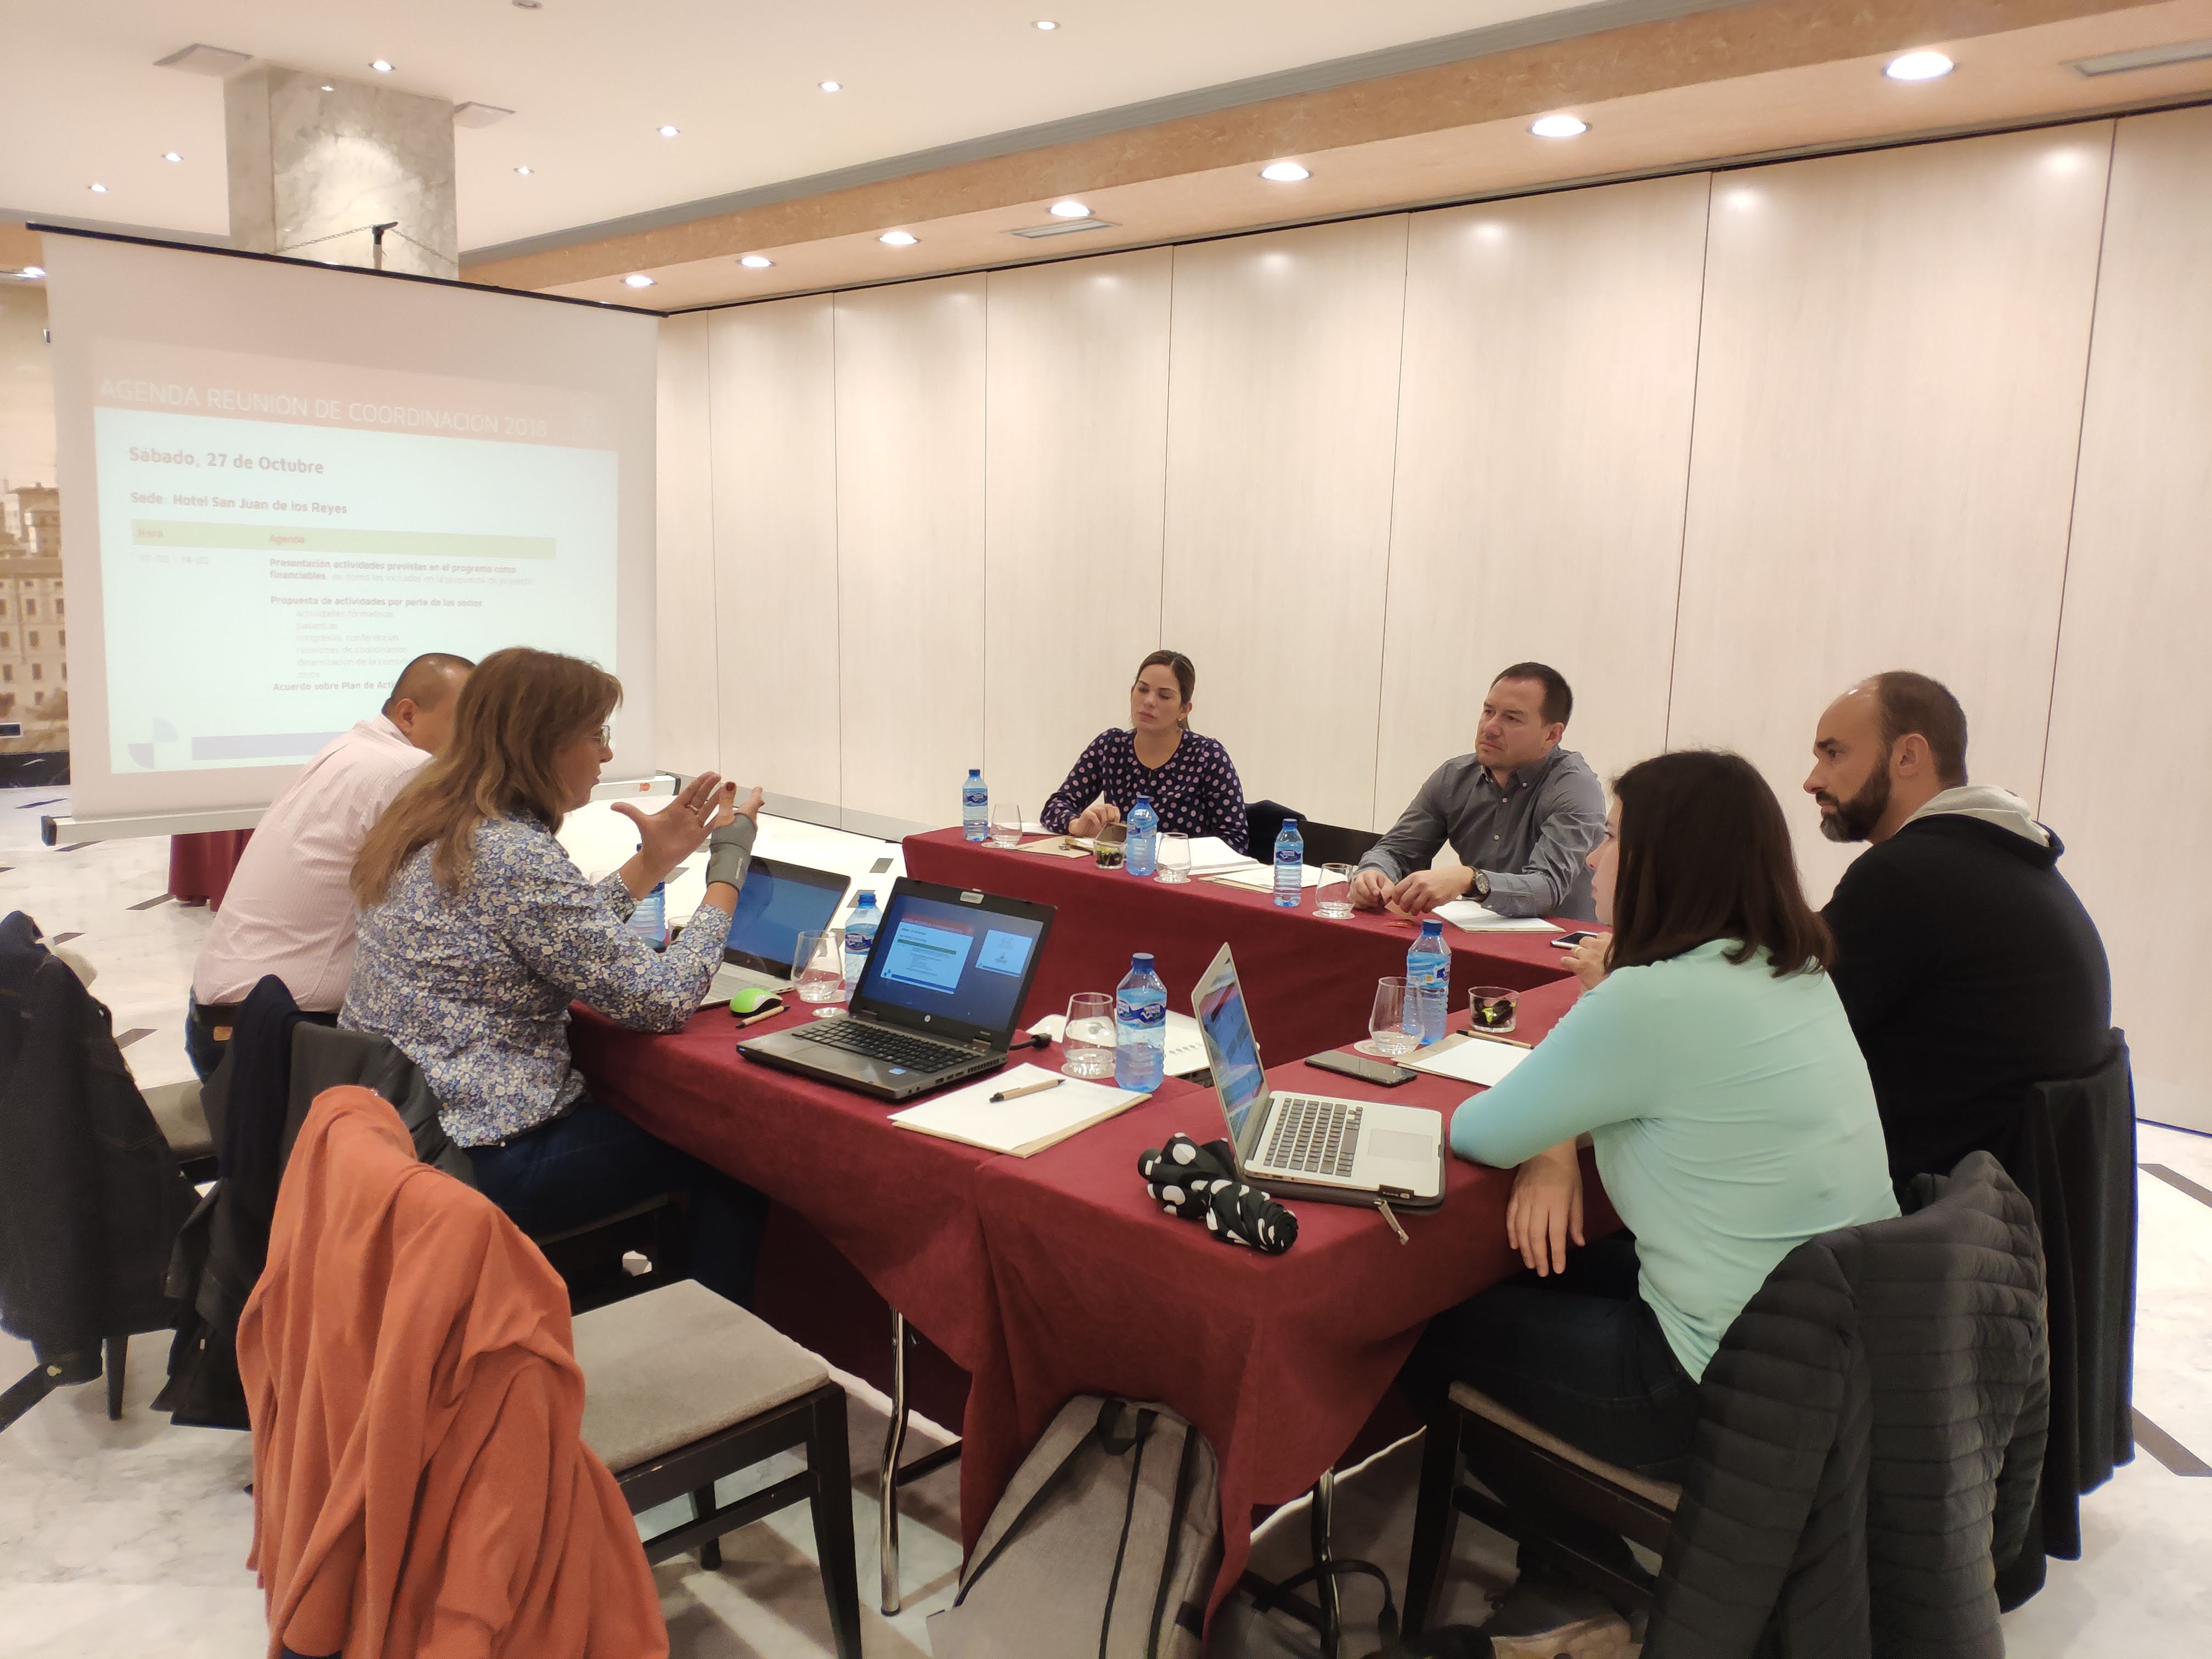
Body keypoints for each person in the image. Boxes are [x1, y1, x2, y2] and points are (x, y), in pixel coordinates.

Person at [1404, 749, 1895, 1493]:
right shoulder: (1792, 968)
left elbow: (1480, 1132)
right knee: (1547, 1264)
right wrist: (1557, 1136)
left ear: (1663, 864)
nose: (1594, 858)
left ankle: (1566, 1550)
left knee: (1423, 1321)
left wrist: (1550, 1142)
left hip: (1715, 1389)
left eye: (1612, 838)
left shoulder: (1651, 1000)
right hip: (1829, 1356)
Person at [342, 647, 768, 1306]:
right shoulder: (510, 850)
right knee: (740, 1153)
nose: (607, 754)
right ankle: (711, 1343)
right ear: (541, 743)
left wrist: (652, 862)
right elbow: (661, 1000)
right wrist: (728, 869)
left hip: (399, 1135)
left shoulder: (435, 819)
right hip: (485, 1153)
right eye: (596, 735)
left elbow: (549, 932)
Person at [1807, 672, 2113, 1183]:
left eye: (1833, 754)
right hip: (2001, 1209)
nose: (1813, 780)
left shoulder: (1906, 875)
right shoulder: (2015, 860)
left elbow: (1784, 1026)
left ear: (1908, 756)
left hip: (1932, 1212)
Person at [187, 652, 474, 1080]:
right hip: (280, 1034)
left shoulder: (350, 748)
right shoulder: (407, 770)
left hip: (220, 1019)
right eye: (467, 721)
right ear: (408, 714)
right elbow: (451, 908)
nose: (478, 739)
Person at [1352, 662, 1605, 921]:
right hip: (1477, 932)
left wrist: (1472, 880)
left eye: (1512, 718)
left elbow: (1547, 889)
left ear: (1551, 735)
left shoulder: (1575, 788)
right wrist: (1374, 874)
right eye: (1488, 711)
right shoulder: (1454, 777)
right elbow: (1396, 852)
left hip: (1557, 940)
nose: (1490, 728)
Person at [1039, 649, 1250, 851]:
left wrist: (1173, 852)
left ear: (1184, 710)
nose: (1149, 701)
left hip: (1182, 872)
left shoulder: (1207, 756)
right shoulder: (1111, 747)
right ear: (1132, 693)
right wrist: (1077, 824)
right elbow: (1055, 806)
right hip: (1121, 869)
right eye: (1142, 690)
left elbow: (1235, 840)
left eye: (1164, 696)